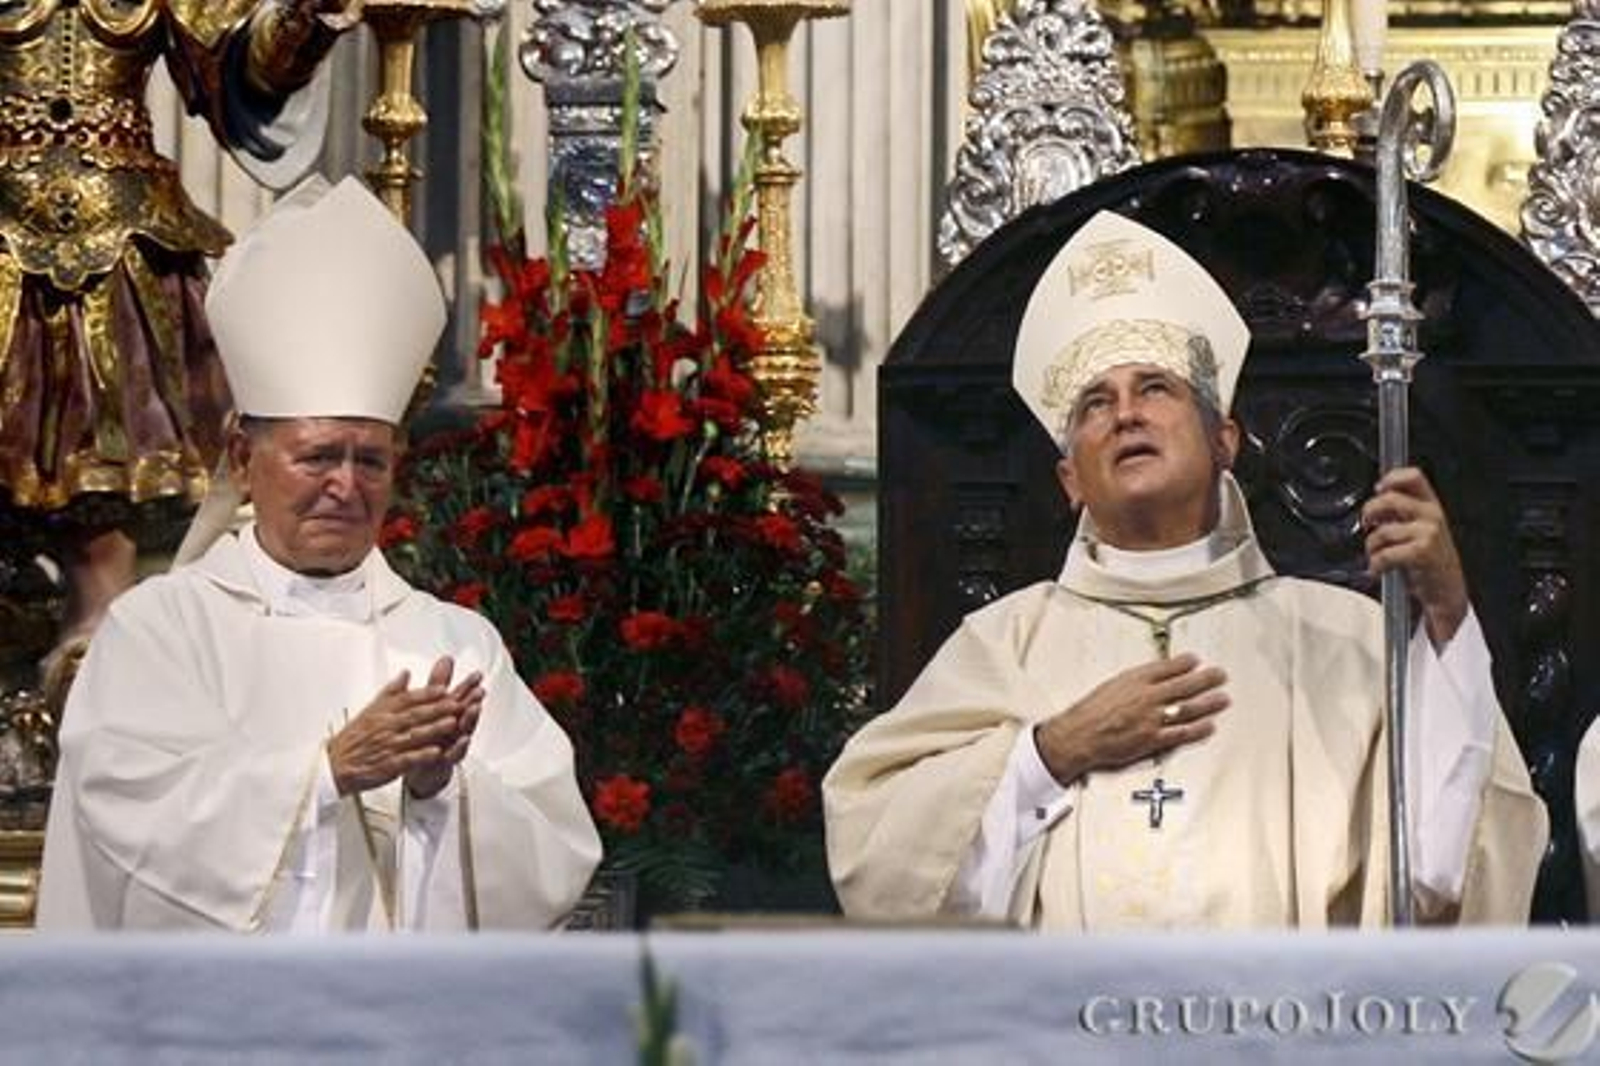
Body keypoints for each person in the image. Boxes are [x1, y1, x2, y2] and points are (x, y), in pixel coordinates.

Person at [824, 210, 1547, 929]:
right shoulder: (1004, 643)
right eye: (1095, 403)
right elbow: (881, 863)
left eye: (1156, 389)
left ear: (1224, 439)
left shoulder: (1341, 638)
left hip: (1274, 1031)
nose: (1126, 415)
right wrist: (1053, 751)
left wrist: (1447, 610)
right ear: (1070, 477)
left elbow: (1447, 864)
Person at [36, 178, 602, 931]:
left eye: (370, 460)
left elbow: (555, 853)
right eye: (317, 456)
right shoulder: (161, 629)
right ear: (243, 457)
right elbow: (133, 821)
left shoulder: (455, 645)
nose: (345, 485)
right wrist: (327, 772)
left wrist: (443, 790)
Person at [0, 1, 357, 679]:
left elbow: (241, 64)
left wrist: (304, 20)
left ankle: (98, 647)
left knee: (108, 457)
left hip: (126, 236)